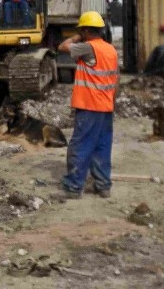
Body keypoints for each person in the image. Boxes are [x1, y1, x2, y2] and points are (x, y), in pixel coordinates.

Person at [57, 11, 119, 199]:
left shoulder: (87, 48)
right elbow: (116, 79)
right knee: (102, 146)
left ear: (85, 30)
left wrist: (78, 35)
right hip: (105, 106)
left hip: (89, 106)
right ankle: (103, 186)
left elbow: (63, 46)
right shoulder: (110, 49)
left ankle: (74, 187)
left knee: (80, 146)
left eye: (82, 30)